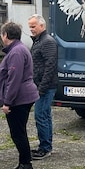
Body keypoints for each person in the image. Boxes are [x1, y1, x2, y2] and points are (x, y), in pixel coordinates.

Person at [0, 21, 39, 169]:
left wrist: (7, 102)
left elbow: (14, 79)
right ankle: (23, 163)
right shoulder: (18, 49)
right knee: (19, 132)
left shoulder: (16, 52)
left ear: (6, 35)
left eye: (2, 34)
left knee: (18, 133)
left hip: (19, 99)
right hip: (22, 97)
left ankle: (26, 166)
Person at [28, 14, 57, 160]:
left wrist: (42, 88)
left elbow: (50, 66)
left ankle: (45, 148)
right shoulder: (38, 41)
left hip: (45, 86)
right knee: (44, 115)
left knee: (40, 116)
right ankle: (46, 145)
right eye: (30, 27)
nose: (31, 29)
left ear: (42, 26)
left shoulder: (47, 42)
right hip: (39, 85)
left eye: (33, 26)